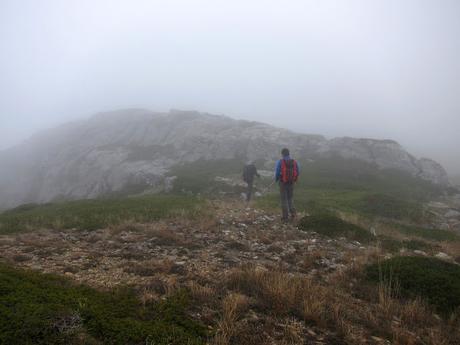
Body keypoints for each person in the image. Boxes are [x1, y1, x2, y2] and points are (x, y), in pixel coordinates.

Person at [274, 148, 300, 222]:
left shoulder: (280, 162)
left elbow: (277, 172)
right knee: (290, 198)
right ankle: (293, 214)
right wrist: (294, 179)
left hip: (283, 183)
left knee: (284, 199)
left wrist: (276, 179)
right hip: (291, 183)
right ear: (289, 153)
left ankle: (285, 217)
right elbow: (298, 171)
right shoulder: (294, 162)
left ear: (282, 154)